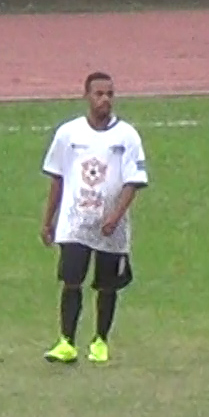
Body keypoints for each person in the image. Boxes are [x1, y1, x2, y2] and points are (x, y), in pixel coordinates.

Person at [40, 72, 148, 365]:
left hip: (111, 227)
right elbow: (57, 178)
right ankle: (66, 342)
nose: (105, 100)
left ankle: (100, 341)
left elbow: (133, 181)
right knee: (71, 280)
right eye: (99, 94)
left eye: (110, 94)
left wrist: (115, 216)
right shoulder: (68, 134)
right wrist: (48, 220)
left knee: (107, 285)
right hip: (75, 223)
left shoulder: (127, 136)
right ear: (86, 96)